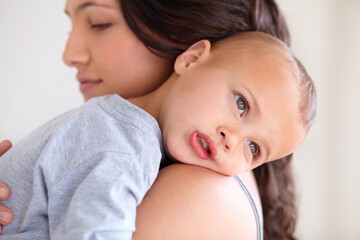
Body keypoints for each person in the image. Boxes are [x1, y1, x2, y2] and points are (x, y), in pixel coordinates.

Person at [0, 0, 316, 239]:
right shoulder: (119, 136)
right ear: (191, 59)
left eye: (98, 23)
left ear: (187, 46)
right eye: (240, 104)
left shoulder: (195, 185)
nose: (69, 54)